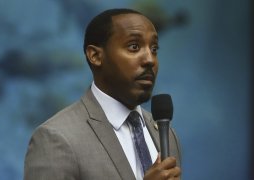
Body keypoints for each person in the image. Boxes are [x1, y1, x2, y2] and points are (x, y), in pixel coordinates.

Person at [24, 8, 181, 180]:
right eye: (134, 47)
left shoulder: (165, 134)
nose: (150, 59)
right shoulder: (56, 138)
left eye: (154, 49)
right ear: (96, 56)